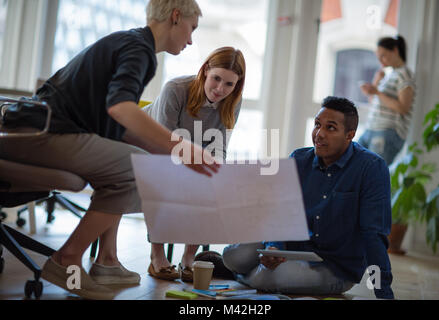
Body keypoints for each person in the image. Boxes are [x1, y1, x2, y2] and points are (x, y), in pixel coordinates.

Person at [0, 0, 219, 300]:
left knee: (136, 164)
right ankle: (68, 260)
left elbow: (119, 126)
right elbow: (121, 108)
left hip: (34, 129)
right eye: (191, 29)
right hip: (40, 132)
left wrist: (168, 155)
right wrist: (181, 147)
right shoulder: (139, 49)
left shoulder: (129, 42)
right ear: (175, 16)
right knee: (137, 170)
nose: (191, 39)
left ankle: (107, 261)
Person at [222, 96, 395, 299]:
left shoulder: (371, 168)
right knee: (232, 256)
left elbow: (374, 234)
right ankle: (241, 272)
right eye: (317, 125)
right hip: (293, 248)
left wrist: (383, 292)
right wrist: (274, 247)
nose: (319, 134)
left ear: (350, 135)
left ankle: (242, 278)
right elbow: (280, 212)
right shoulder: (299, 159)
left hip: (334, 266)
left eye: (330, 128)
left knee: (269, 278)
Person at [142, 46, 246, 282]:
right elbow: (162, 145)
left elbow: (218, 146)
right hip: (148, 148)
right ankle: (157, 255)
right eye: (216, 79)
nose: (220, 89)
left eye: (229, 84)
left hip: (188, 153)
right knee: (163, 180)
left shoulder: (232, 102)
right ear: (205, 70)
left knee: (211, 185)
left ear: (237, 85)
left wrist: (217, 172)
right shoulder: (176, 90)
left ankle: (189, 258)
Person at [359, 35, 416, 166]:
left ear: (395, 51)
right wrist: (376, 83)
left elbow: (403, 107)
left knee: (372, 174)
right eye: (378, 57)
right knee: (352, 162)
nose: (381, 61)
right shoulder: (391, 74)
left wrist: (377, 92)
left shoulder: (405, 74)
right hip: (372, 128)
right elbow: (374, 101)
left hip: (387, 131)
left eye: (383, 56)